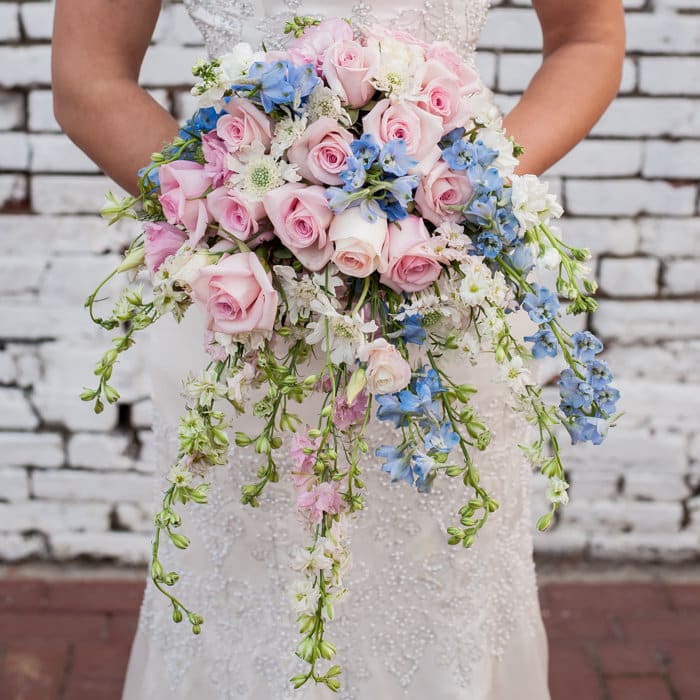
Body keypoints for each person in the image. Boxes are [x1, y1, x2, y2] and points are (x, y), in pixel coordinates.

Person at [52, 2, 625, 698]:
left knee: (441, 578)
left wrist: (450, 195)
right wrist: (238, 214)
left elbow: (587, 37)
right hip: (243, 294)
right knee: (249, 593)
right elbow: (90, 77)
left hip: (445, 285)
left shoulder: (449, 216)